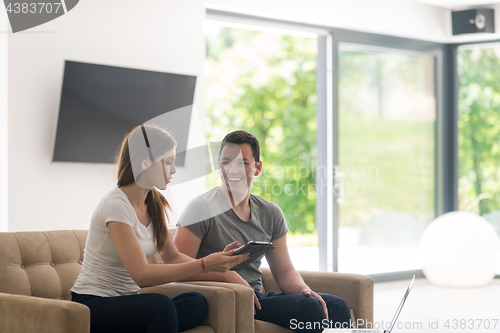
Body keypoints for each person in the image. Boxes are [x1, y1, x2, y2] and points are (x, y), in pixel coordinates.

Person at [70, 125, 249, 333]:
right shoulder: (116, 205)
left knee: (196, 302)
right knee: (160, 307)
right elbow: (142, 276)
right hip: (93, 304)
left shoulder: (153, 203)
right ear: (146, 163)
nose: (174, 170)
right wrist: (204, 264)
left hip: (128, 302)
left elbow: (172, 258)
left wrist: (216, 266)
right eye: (168, 162)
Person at [174, 130, 352, 333]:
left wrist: (305, 290)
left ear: (257, 168)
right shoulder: (200, 208)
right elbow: (176, 267)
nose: (233, 169)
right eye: (226, 162)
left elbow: (285, 272)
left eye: (242, 163)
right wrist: (225, 275)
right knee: (309, 309)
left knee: (336, 306)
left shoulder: (270, 213)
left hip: (255, 298)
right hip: (221, 298)